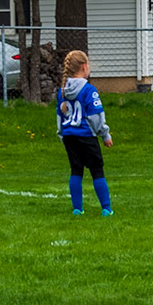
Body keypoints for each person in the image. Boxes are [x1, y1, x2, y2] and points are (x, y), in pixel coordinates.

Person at [56, 50, 114, 216]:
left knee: (76, 170)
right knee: (97, 170)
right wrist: (105, 135)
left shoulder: (62, 90)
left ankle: (77, 209)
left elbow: (60, 116)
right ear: (84, 67)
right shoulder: (89, 90)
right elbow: (96, 116)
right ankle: (106, 208)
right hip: (86, 136)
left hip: (69, 136)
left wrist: (62, 135)